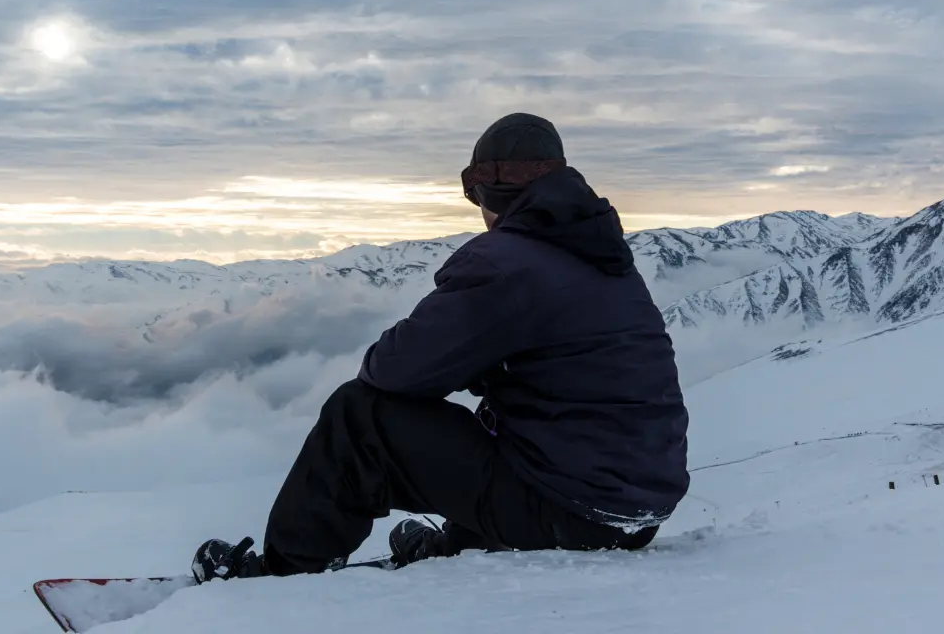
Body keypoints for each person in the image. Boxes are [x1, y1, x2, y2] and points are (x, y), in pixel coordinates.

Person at [191, 112, 690, 582]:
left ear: (489, 191)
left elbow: (393, 371)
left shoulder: (505, 263)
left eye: (475, 198)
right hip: (632, 513)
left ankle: (283, 572)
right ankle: (464, 548)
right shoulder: (600, 254)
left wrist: (466, 362)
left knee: (358, 416)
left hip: (573, 515)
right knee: (507, 427)